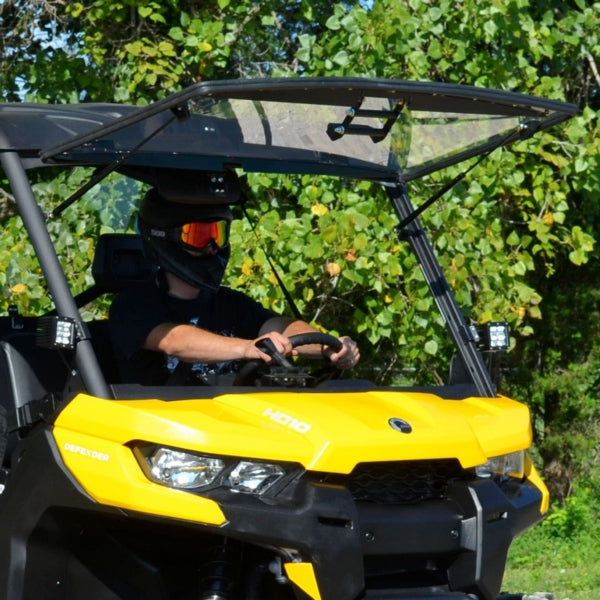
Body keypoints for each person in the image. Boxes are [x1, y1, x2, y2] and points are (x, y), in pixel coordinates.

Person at [109, 188, 360, 386]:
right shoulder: (132, 305)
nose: (211, 246)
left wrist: (328, 346)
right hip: (164, 429)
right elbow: (174, 340)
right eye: (198, 236)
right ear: (166, 238)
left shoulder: (229, 302)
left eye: (218, 234)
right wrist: (247, 347)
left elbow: (280, 327)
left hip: (233, 424)